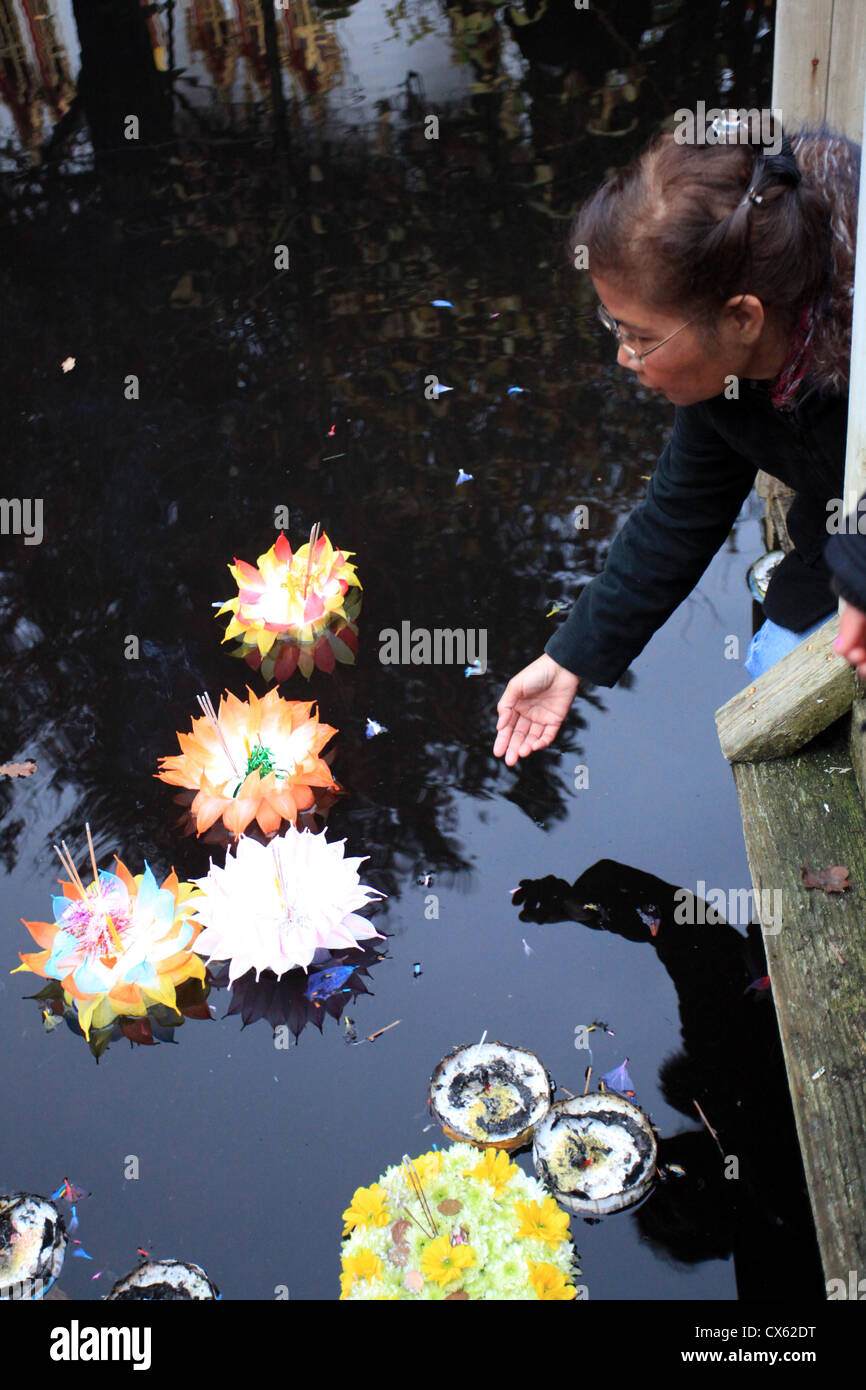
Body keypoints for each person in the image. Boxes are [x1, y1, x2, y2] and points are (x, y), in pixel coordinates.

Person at [493, 115, 860, 765]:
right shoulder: (725, 383)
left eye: (639, 336)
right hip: (833, 538)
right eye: (615, 326)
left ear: (742, 318)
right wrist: (571, 655)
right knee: (771, 662)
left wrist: (860, 579)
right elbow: (679, 512)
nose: (624, 359)